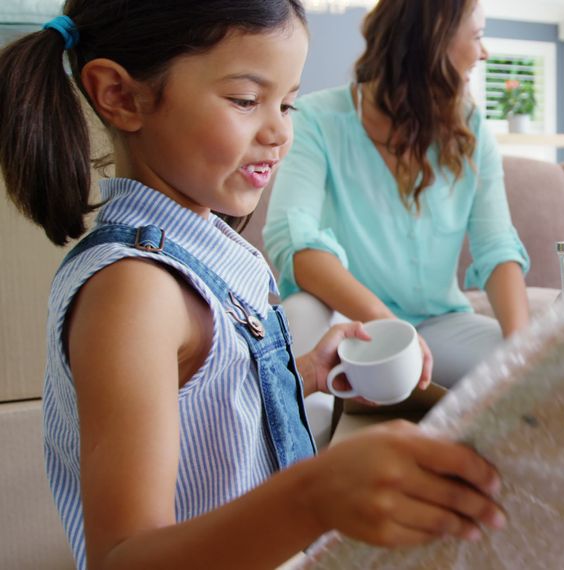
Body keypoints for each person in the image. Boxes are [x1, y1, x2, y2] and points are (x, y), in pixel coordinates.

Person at [0, 2, 505, 568]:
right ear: (120, 96)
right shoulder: (135, 291)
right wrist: (315, 495)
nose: (280, 131)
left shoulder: (207, 244)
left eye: (287, 103)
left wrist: (310, 371)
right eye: (246, 100)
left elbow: (215, 395)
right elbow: (124, 555)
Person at [263, 0, 530, 389]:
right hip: (350, 321)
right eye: (477, 36)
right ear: (434, 42)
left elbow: (497, 247)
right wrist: (387, 326)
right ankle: (308, 447)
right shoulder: (315, 120)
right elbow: (293, 240)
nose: (484, 52)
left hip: (441, 324)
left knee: (537, 375)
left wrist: (522, 345)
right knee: (301, 314)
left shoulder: (472, 131)